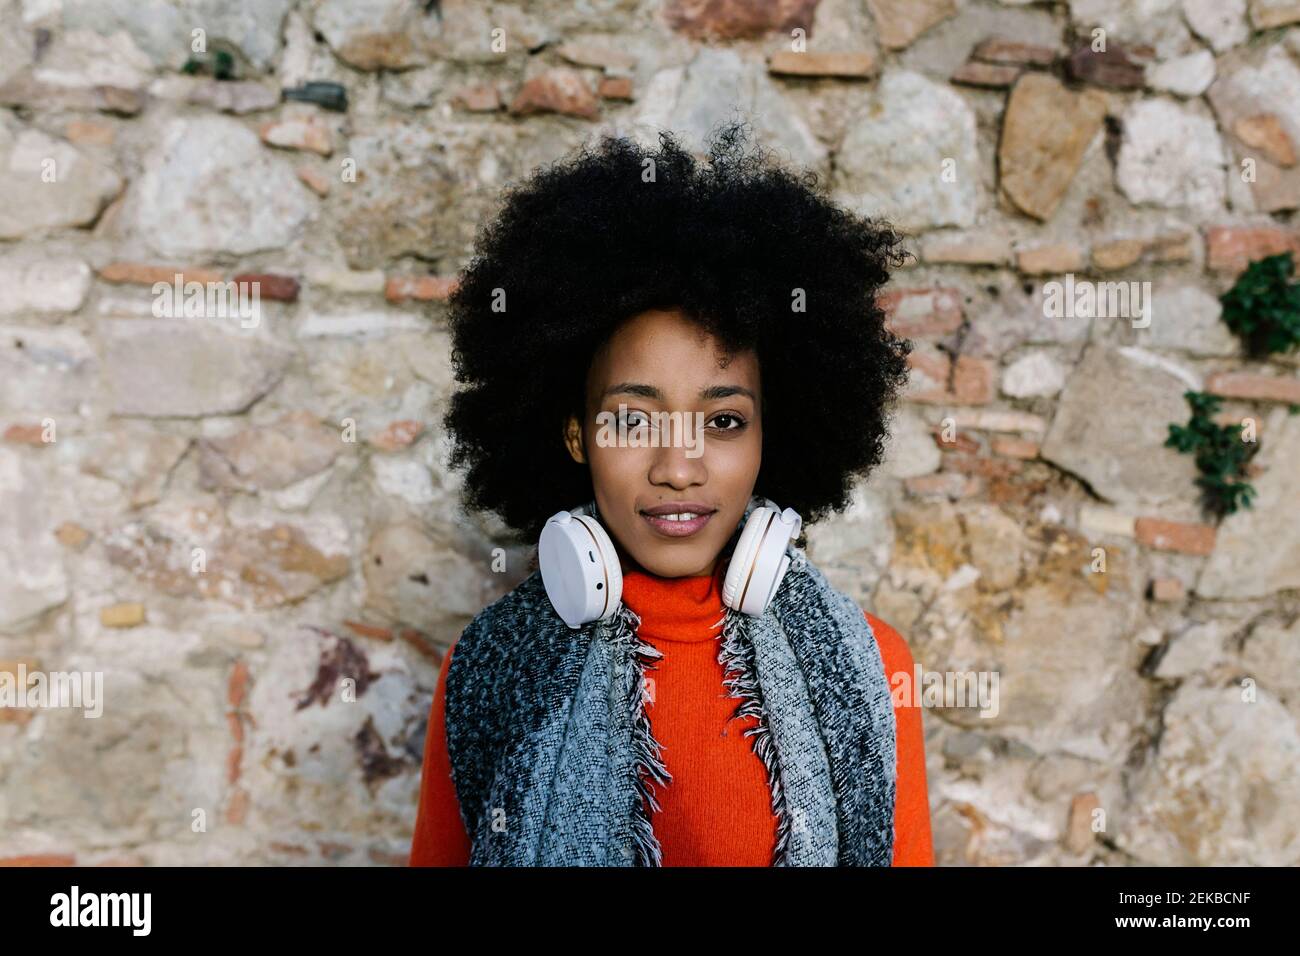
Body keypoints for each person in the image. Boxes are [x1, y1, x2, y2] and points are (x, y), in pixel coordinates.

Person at [409, 121, 933, 866]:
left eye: (723, 420)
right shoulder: (488, 669)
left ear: (768, 438)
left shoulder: (872, 668)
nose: (679, 468)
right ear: (575, 436)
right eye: (632, 419)